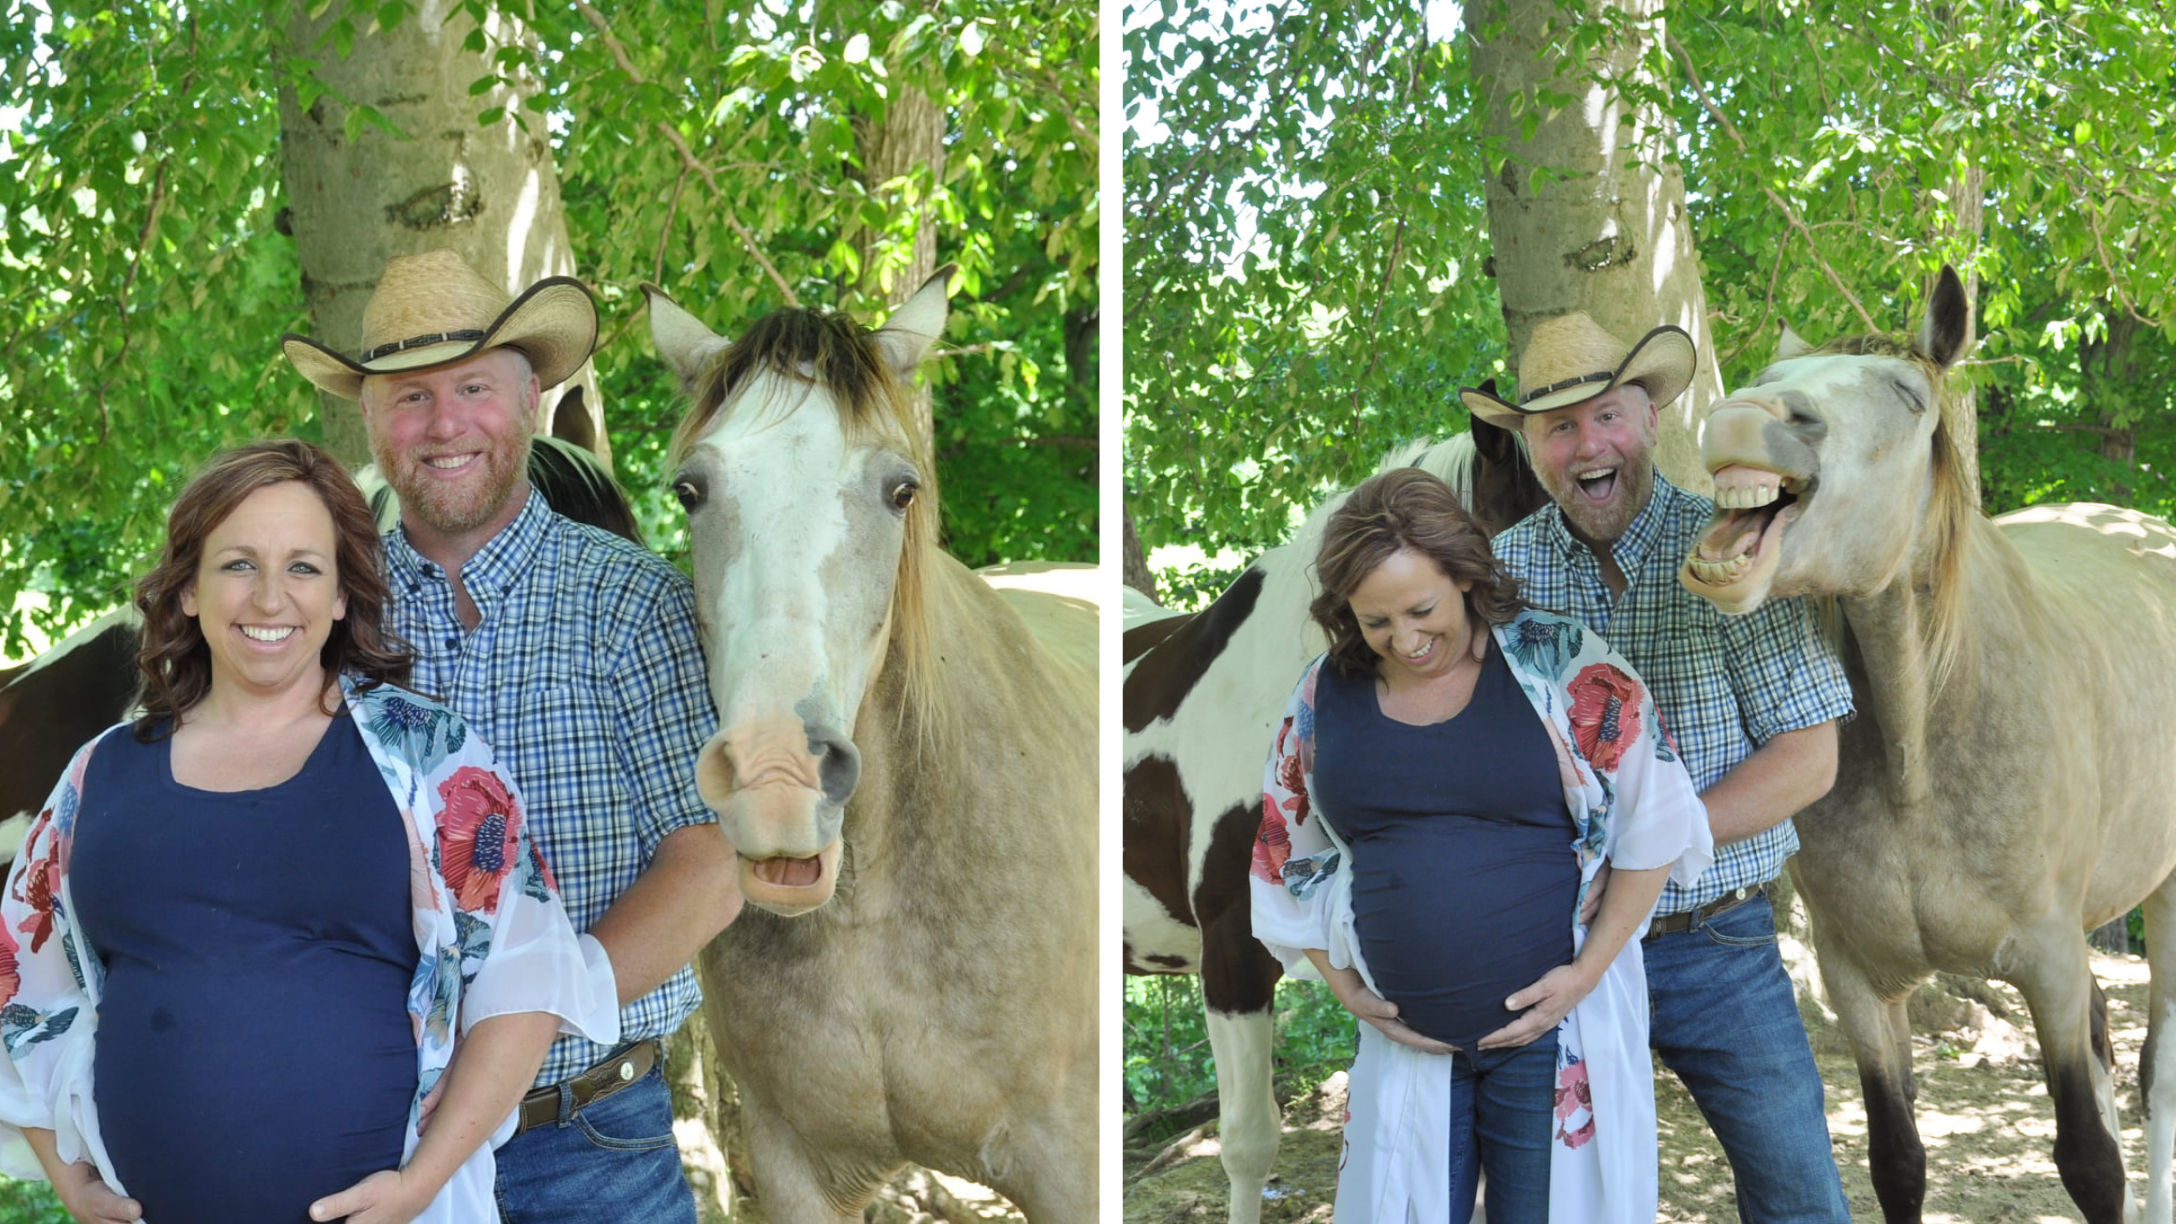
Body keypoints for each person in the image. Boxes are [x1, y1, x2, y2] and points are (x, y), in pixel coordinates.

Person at [0, 440, 619, 1224]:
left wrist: (424, 1180)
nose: (269, 599)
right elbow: (20, 987)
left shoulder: (426, 757)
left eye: (302, 567)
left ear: (338, 596)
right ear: (186, 588)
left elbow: (524, 980)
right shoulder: (100, 775)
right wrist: (70, 1179)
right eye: (237, 565)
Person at [281, 250, 739, 1223]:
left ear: (531, 396)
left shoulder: (630, 604)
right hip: (366, 1143)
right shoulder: (326, 623)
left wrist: (522, 1028)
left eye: (474, 388)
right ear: (367, 415)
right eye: (409, 397)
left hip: (587, 1140)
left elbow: (711, 860)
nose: (444, 426)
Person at [1461, 312, 1857, 1223]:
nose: (1587, 444)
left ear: (1648, 422)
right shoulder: (1497, 582)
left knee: (1800, 1199)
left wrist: (1646, 850)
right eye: (1559, 428)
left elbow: (1810, 756)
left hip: (1715, 944)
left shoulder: (1733, 550)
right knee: (1547, 1204)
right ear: (1530, 449)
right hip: (1551, 949)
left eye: (1608, 416)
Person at [1250, 467, 1713, 1224]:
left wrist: (1584, 975)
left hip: (1551, 1028)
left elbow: (1655, 822)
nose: (1404, 640)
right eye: (1374, 622)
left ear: (1465, 576)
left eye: (1421, 609)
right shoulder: (1321, 695)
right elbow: (1284, 852)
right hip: (1408, 1043)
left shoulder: (1561, 663)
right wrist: (1346, 988)